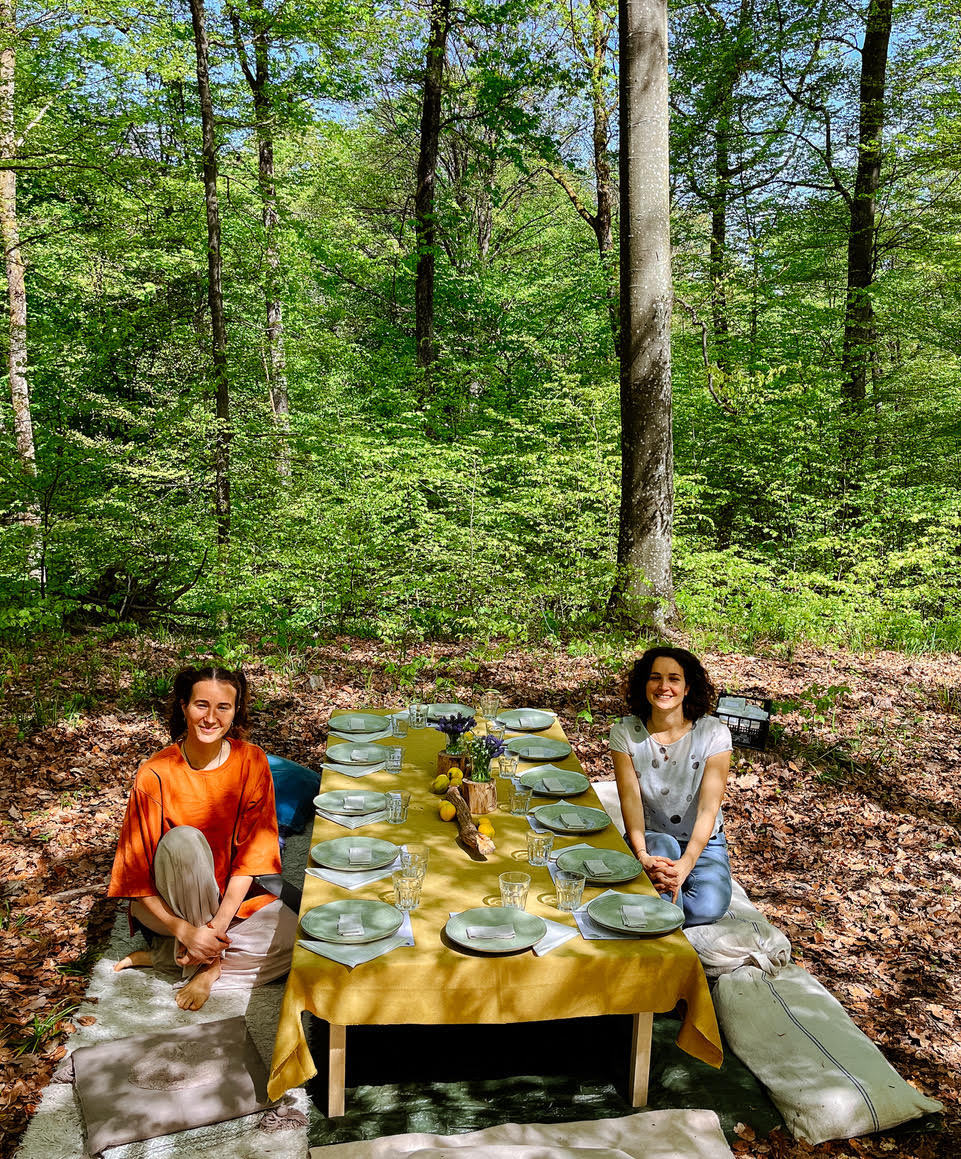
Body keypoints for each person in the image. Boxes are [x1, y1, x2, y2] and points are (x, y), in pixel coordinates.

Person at [108, 665, 295, 1010]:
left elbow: (251, 859)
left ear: (236, 711)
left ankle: (170, 957)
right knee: (184, 841)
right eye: (201, 705)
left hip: (228, 903)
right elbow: (134, 878)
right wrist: (184, 929)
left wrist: (217, 926)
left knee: (297, 942)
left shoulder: (252, 761)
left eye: (223, 707)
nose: (211, 718)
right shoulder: (155, 772)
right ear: (184, 707)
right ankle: (209, 966)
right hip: (167, 909)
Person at [610, 647, 733, 927]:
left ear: (687, 688)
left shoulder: (714, 733)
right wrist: (642, 855)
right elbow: (630, 800)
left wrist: (686, 864)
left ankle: (656, 902)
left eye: (674, 679)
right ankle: (662, 927)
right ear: (644, 684)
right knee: (664, 851)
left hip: (702, 841)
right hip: (652, 837)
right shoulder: (625, 732)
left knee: (708, 907)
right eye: (655, 677)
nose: (664, 686)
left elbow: (708, 809)